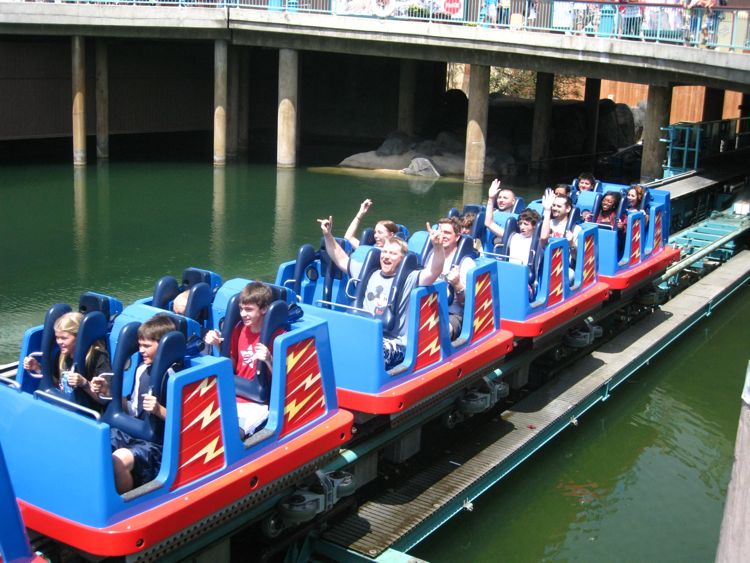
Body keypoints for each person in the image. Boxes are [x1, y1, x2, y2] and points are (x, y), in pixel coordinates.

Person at [318, 215, 444, 368]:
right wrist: (327, 235)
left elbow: (434, 270)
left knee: (368, 352)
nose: (386, 256)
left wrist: (437, 246)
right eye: (384, 252)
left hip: (393, 342)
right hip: (363, 333)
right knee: (328, 345)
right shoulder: (369, 273)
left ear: (402, 258)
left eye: (392, 253)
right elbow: (341, 259)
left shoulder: (410, 278)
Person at [204, 282, 284, 439]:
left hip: (257, 404)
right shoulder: (239, 329)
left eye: (249, 310)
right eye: (241, 309)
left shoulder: (278, 336)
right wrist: (219, 346)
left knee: (231, 435)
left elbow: (284, 380)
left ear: (263, 309)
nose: (243, 314)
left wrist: (269, 359)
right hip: (234, 393)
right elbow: (232, 364)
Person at [109, 315, 177, 494]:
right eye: (140, 345)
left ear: (163, 346)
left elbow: (183, 421)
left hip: (158, 444)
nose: (141, 350)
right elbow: (133, 409)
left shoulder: (175, 377)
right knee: (97, 444)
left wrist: (158, 410)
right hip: (134, 432)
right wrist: (110, 394)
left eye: (147, 346)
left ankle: (124, 503)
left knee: (118, 461)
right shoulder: (141, 370)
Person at [23, 311, 110, 407]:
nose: (59, 342)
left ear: (79, 338)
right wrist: (38, 368)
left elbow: (104, 399)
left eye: (64, 338)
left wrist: (84, 383)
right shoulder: (61, 355)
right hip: (65, 404)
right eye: (57, 337)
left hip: (88, 412)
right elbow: (58, 384)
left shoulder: (97, 357)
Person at [430, 218, 476, 340]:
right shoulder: (431, 257)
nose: (442, 235)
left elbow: (467, 302)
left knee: (438, 334)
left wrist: (457, 284)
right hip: (430, 309)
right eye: (440, 231)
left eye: (447, 233)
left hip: (452, 314)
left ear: (457, 237)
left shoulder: (466, 264)